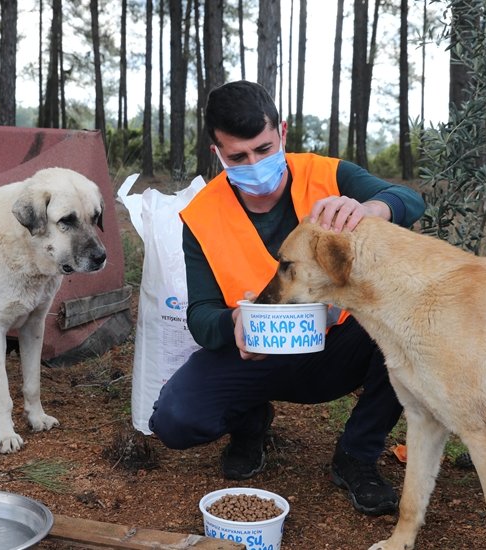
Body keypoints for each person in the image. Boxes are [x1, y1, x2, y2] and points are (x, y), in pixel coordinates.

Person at [148, 80, 425, 516]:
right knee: (174, 419)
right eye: (237, 156)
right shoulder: (202, 215)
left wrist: (372, 209)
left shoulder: (328, 175)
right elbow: (200, 315)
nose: (254, 164)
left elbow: (409, 199)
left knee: (406, 326)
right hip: (255, 351)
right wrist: (232, 324)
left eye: (263, 148)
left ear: (282, 132)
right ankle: (250, 425)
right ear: (216, 152)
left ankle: (357, 455)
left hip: (339, 345)